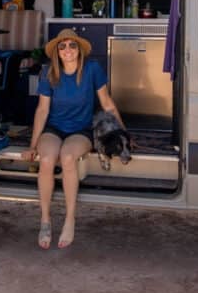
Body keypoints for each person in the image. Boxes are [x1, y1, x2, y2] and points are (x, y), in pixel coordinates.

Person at [21, 28, 124, 249]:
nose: (67, 50)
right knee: (47, 159)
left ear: (79, 49)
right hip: (54, 128)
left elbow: (107, 103)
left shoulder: (92, 69)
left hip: (82, 130)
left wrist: (123, 133)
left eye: (72, 45)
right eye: (62, 46)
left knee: (67, 157)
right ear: (57, 51)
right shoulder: (49, 73)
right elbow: (42, 110)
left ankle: (69, 219)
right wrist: (32, 146)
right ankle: (45, 220)